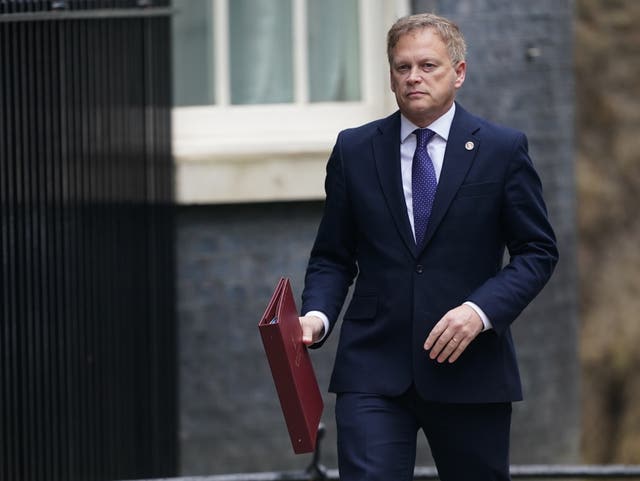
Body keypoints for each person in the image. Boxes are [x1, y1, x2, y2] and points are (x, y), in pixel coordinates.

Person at [297, 12, 558, 481]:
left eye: (428, 66)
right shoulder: (355, 149)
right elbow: (333, 256)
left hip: (470, 366)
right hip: (372, 370)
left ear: (459, 72)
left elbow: (537, 251)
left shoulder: (502, 149)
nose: (413, 77)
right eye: (402, 67)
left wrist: (479, 312)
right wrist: (316, 317)